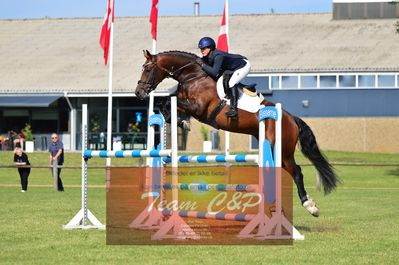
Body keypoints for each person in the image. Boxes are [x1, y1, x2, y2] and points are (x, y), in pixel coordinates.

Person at [196, 37, 251, 118]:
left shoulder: (218, 56)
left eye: (204, 48)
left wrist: (202, 65)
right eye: (201, 49)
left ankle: (234, 110)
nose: (202, 51)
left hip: (243, 66)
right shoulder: (208, 55)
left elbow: (214, 73)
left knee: (231, 83)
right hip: (232, 67)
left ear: (210, 48)